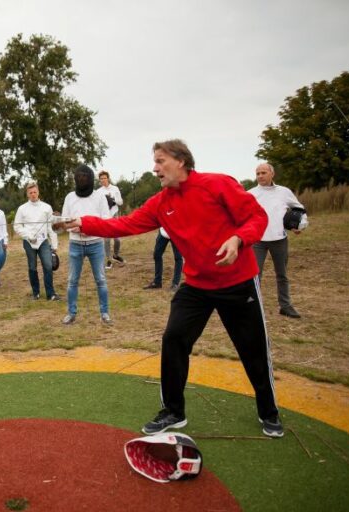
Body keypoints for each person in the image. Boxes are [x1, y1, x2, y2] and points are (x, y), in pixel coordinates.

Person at [61, 139, 283, 438]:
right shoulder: (161, 202)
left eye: (160, 161)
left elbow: (257, 217)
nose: (155, 168)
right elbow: (126, 224)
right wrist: (84, 222)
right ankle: (173, 411)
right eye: (154, 161)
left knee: (253, 349)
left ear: (181, 161)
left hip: (237, 283)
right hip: (197, 286)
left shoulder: (218, 185)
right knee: (174, 339)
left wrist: (239, 240)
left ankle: (269, 412)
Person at [248, 163, 308, 319]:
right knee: (254, 276)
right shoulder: (250, 194)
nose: (260, 176)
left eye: (263, 172)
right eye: (257, 173)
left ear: (272, 174)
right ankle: (252, 307)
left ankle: (285, 306)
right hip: (257, 241)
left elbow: (299, 209)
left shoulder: (284, 192)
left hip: (280, 239)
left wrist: (299, 225)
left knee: (282, 274)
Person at [61, 164, 112, 325]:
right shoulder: (70, 197)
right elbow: (64, 221)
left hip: (96, 243)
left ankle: (104, 313)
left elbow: (106, 220)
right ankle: (71, 313)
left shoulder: (99, 197)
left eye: (85, 177)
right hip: (75, 243)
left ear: (90, 179)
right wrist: (75, 228)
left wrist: (90, 229)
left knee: (101, 280)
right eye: (79, 177)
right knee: (72, 281)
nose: (82, 180)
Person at [13, 181, 60, 301]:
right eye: (30, 193)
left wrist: (54, 245)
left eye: (35, 192)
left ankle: (51, 294)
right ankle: (36, 293)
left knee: (48, 266)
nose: (33, 194)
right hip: (29, 242)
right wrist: (28, 235)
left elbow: (51, 228)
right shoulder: (22, 209)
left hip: (43, 241)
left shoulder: (46, 207)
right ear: (27, 194)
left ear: (38, 192)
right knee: (32, 267)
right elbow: (17, 226)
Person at [98, 170, 124, 269]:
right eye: (101, 179)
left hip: (114, 215)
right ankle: (109, 260)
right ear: (99, 180)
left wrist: (113, 200)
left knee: (117, 239)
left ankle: (116, 255)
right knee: (107, 240)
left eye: (104, 178)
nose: (103, 180)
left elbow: (121, 202)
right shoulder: (99, 192)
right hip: (105, 216)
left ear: (108, 178)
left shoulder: (115, 188)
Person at [144, 227, 183, 292]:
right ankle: (157, 282)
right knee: (157, 255)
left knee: (178, 258)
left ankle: (175, 283)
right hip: (163, 232)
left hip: (177, 233)